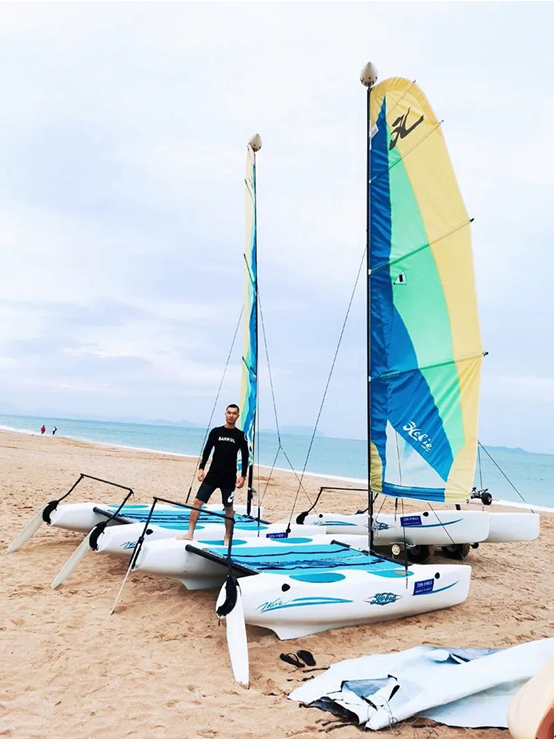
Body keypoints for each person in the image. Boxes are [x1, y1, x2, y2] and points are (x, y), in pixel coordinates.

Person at [180, 404, 248, 545]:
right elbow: (207, 450)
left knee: (228, 508)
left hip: (229, 477)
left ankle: (227, 536)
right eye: (229, 412)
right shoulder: (216, 432)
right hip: (213, 475)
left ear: (237, 416)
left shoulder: (240, 435)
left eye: (234, 413)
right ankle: (190, 533)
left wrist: (243, 476)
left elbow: (245, 456)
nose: (231, 415)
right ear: (225, 414)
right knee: (197, 502)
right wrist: (201, 468)